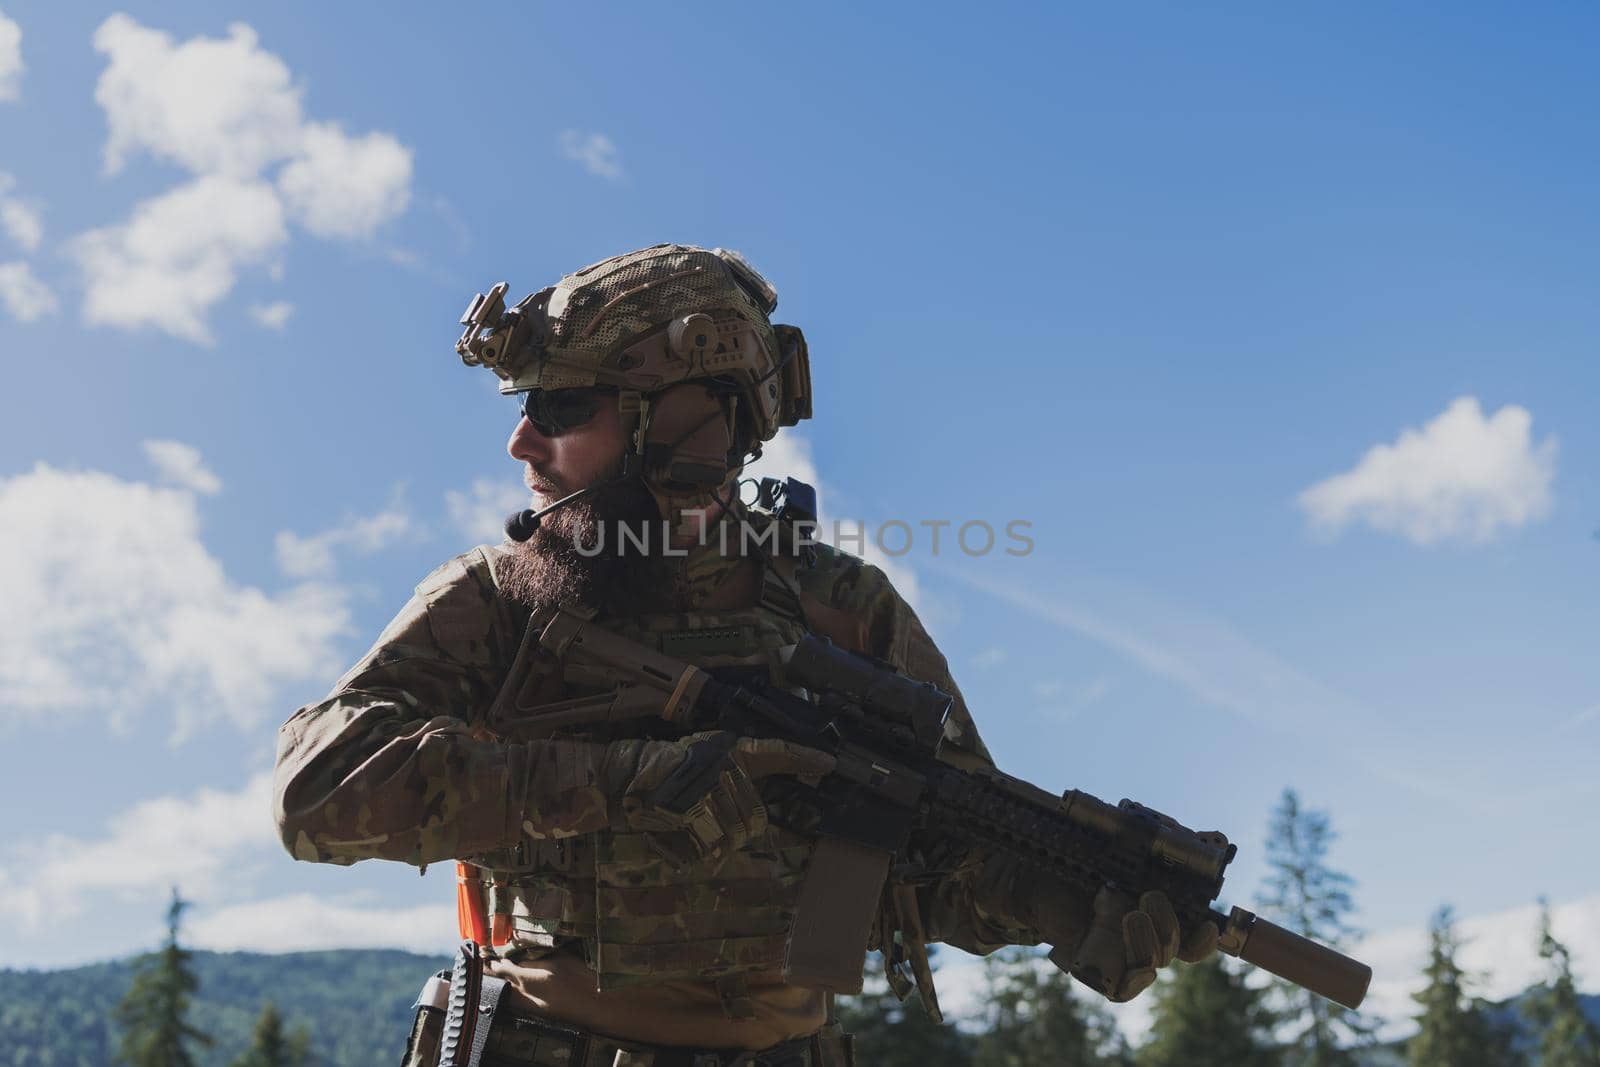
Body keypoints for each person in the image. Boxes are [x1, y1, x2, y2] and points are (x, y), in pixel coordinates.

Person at [273, 244, 1215, 1067]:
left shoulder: (841, 609)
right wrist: (628, 782)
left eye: (561, 406)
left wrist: (1056, 902)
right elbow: (316, 789)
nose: (522, 439)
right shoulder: (497, 598)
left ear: (688, 419)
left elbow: (934, 855)